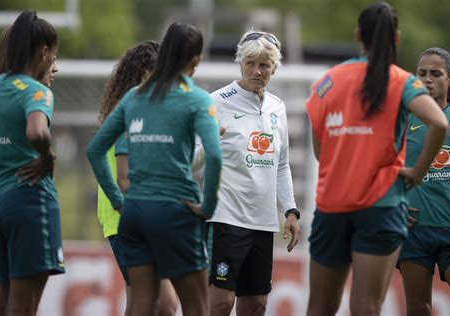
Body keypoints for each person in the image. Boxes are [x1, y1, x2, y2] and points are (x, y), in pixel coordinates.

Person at [305, 3, 449, 315]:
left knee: (318, 307)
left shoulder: (327, 82)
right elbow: (439, 122)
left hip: (332, 205)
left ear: (358, 34)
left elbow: (320, 152)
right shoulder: (401, 81)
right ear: (395, 37)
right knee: (367, 307)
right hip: (381, 208)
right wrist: (417, 172)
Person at [86, 21, 222, 315]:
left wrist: (122, 200)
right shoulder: (195, 98)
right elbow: (215, 156)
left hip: (132, 213)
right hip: (169, 208)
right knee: (190, 303)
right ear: (195, 59)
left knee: (141, 303)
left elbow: (95, 149)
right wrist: (207, 207)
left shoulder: (132, 101)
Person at [193, 29, 300, 315]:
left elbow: (283, 164)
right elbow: (191, 160)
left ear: (273, 68)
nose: (256, 70)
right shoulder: (217, 101)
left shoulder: (278, 107)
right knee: (221, 303)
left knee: (256, 305)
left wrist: (290, 211)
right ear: (240, 63)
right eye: (250, 63)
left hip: (264, 223)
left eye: (264, 65)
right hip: (225, 219)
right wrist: (209, 144)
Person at [0, 10, 64, 316]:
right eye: (53, 55)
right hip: (29, 201)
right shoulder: (36, 91)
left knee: (0, 301)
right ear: (43, 52)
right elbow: (37, 131)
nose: (54, 64)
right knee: (24, 306)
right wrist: (48, 156)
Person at [97, 40, 178, 315]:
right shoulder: (131, 109)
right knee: (163, 303)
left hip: (127, 215)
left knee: (143, 301)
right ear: (143, 72)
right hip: (127, 216)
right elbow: (125, 177)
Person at [398, 47, 450, 314]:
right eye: (422, 74)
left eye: (436, 73)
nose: (428, 79)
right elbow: (380, 166)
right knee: (418, 308)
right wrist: (392, 202)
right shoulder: (403, 119)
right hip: (414, 229)